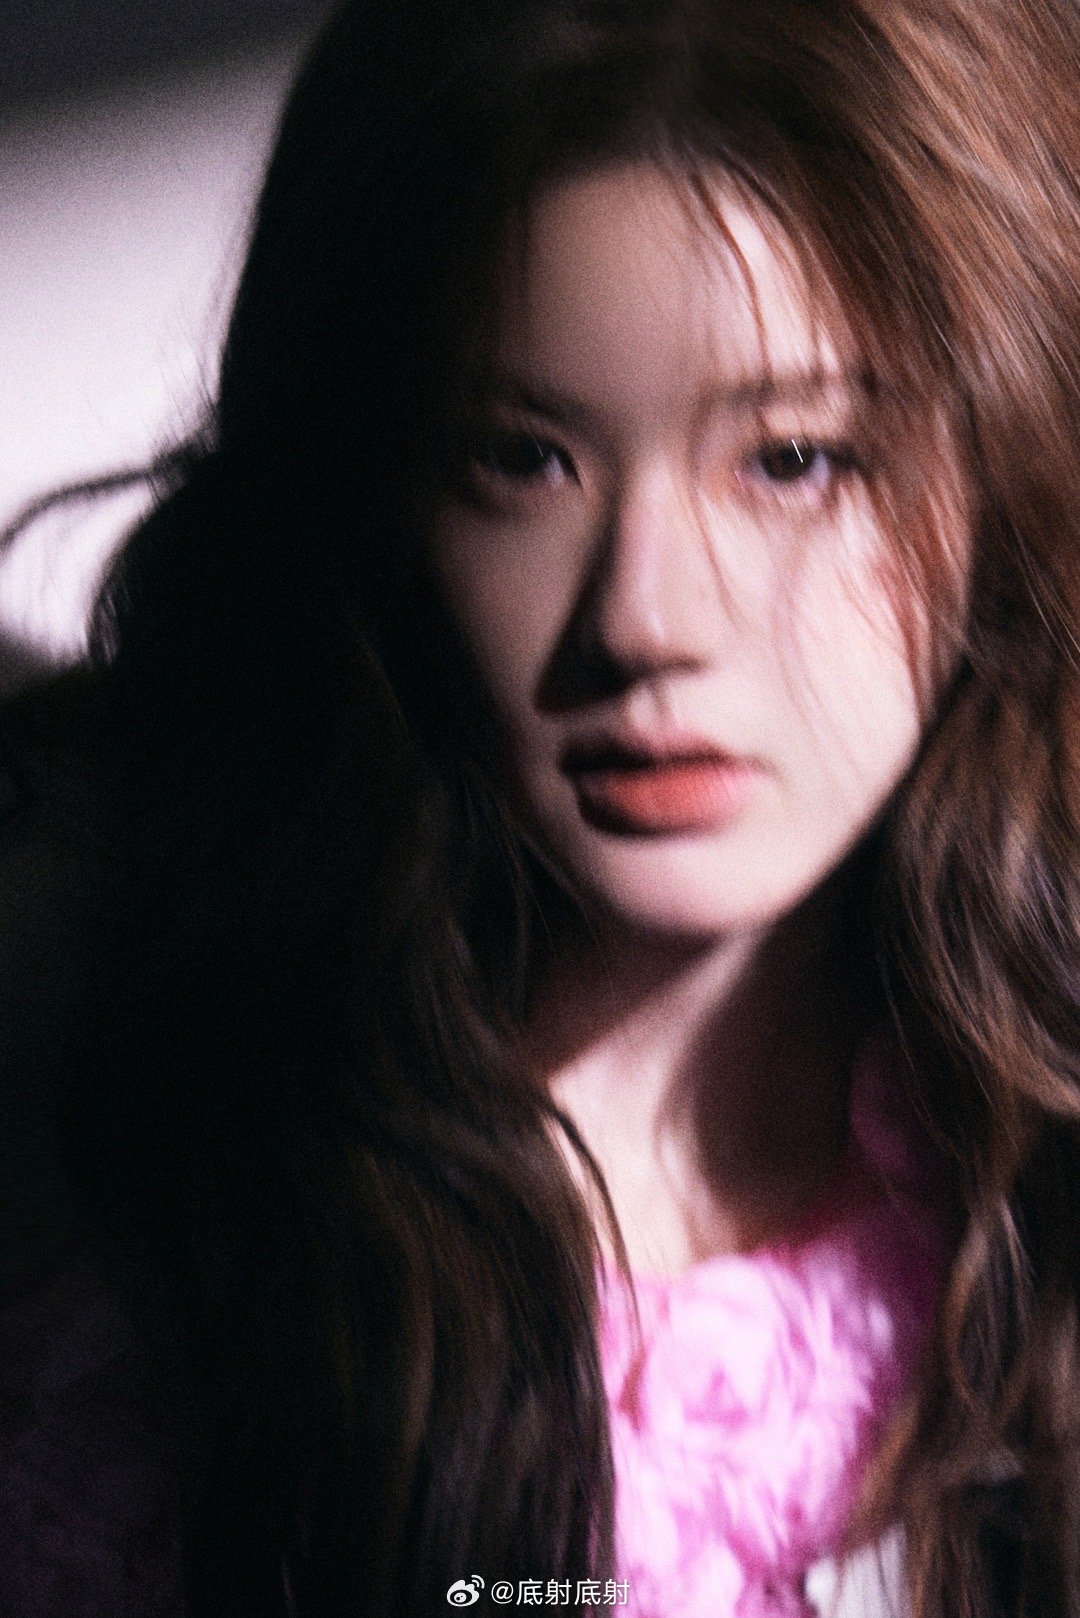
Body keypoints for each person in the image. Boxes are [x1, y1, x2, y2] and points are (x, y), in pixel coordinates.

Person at [5, 0, 1080, 1613]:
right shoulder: (222, 1291)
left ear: (1008, 470)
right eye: (522, 458)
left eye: (792, 459)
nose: (645, 618)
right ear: (376, 495)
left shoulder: (1025, 1168)